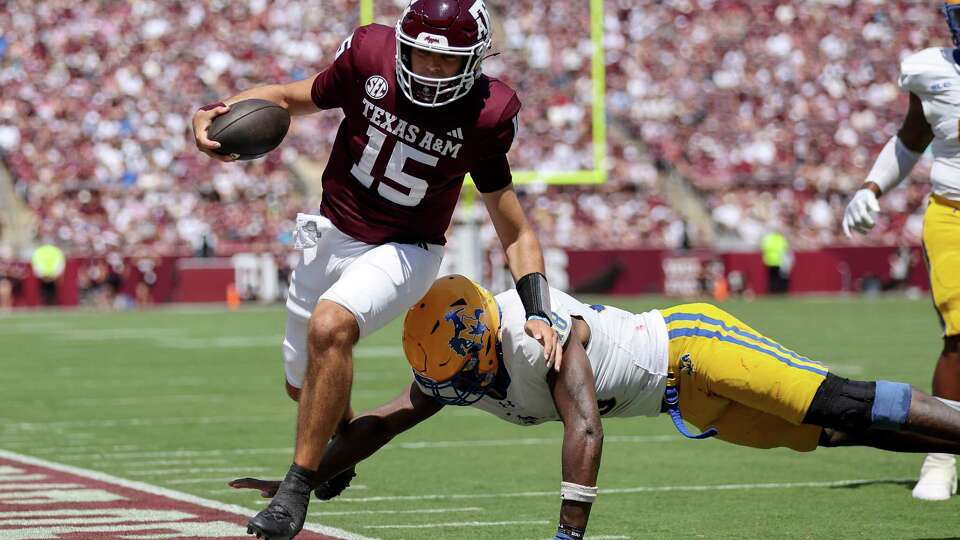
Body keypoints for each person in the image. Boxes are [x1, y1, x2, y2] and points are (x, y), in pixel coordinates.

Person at [190, 1, 562, 536]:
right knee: (304, 385)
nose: (431, 71)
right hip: (330, 231)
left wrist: (538, 308)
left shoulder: (487, 113)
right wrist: (211, 112)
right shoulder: (369, 56)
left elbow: (516, 227)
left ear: (476, 59)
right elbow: (288, 97)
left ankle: (294, 492)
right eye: (421, 56)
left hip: (407, 246)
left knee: (331, 324)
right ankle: (339, 450)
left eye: (446, 61)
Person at [232, 274, 960, 539]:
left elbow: (584, 424)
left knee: (837, 398)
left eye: (467, 380)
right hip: (684, 401)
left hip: (695, 348)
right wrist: (304, 475)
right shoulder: (464, 357)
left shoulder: (529, 333)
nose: (464, 395)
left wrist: (568, 536)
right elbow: (386, 420)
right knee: (835, 433)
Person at [842, 0, 960, 500]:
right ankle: (943, 453)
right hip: (955, 213)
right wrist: (871, 187)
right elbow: (911, 139)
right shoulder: (930, 71)